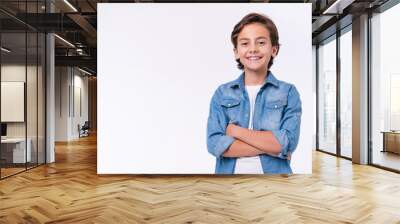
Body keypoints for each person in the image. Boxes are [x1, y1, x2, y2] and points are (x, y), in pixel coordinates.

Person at [206, 13, 302, 174]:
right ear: (236, 51)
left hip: (275, 184)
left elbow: (287, 142)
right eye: (245, 43)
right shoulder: (222, 93)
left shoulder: (288, 92)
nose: (253, 49)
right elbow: (214, 144)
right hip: (228, 183)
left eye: (261, 42)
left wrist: (236, 132)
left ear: (274, 49)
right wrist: (271, 147)